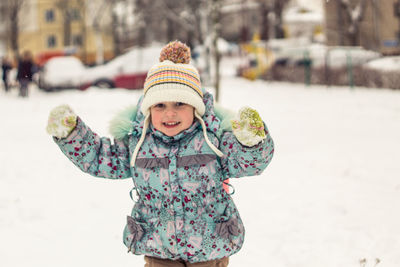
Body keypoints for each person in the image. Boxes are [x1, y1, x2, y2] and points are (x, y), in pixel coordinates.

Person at [46, 41, 274, 267]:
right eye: (160, 106)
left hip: (211, 248)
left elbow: (249, 163)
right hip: (159, 250)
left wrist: (251, 142)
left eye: (179, 104)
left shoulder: (213, 139)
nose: (170, 113)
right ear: (148, 109)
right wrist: (72, 134)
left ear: (196, 107)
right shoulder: (138, 143)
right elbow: (100, 158)